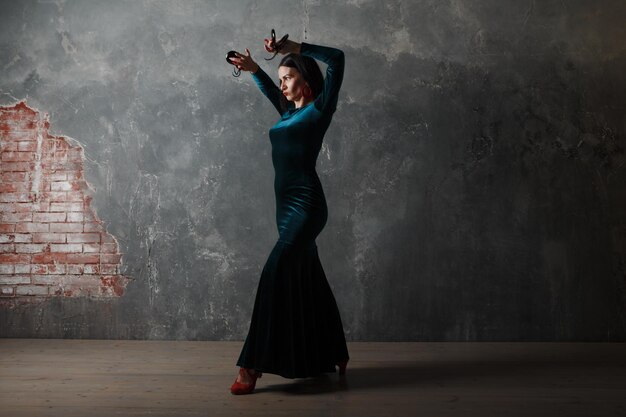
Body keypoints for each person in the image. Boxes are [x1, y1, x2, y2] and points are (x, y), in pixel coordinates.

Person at [227, 34, 350, 395]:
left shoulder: (319, 110)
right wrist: (253, 71)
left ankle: (250, 366)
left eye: (288, 77)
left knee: (275, 273)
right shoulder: (289, 114)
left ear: (307, 82)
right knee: (308, 279)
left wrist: (295, 48)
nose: (282, 83)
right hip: (285, 211)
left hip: (307, 208)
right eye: (280, 78)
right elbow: (272, 94)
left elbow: (339, 58)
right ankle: (336, 353)